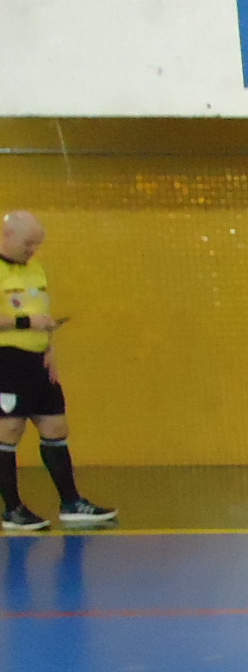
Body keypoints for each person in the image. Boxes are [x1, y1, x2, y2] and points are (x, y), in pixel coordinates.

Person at [0, 210, 116, 530]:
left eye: (37, 244)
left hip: (37, 361)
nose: (33, 250)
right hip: (6, 359)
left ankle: (72, 503)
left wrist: (50, 348)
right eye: (28, 243)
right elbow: (28, 317)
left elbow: (43, 311)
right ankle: (13, 509)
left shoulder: (36, 269)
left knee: (55, 426)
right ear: (8, 235)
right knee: (9, 430)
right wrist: (25, 322)